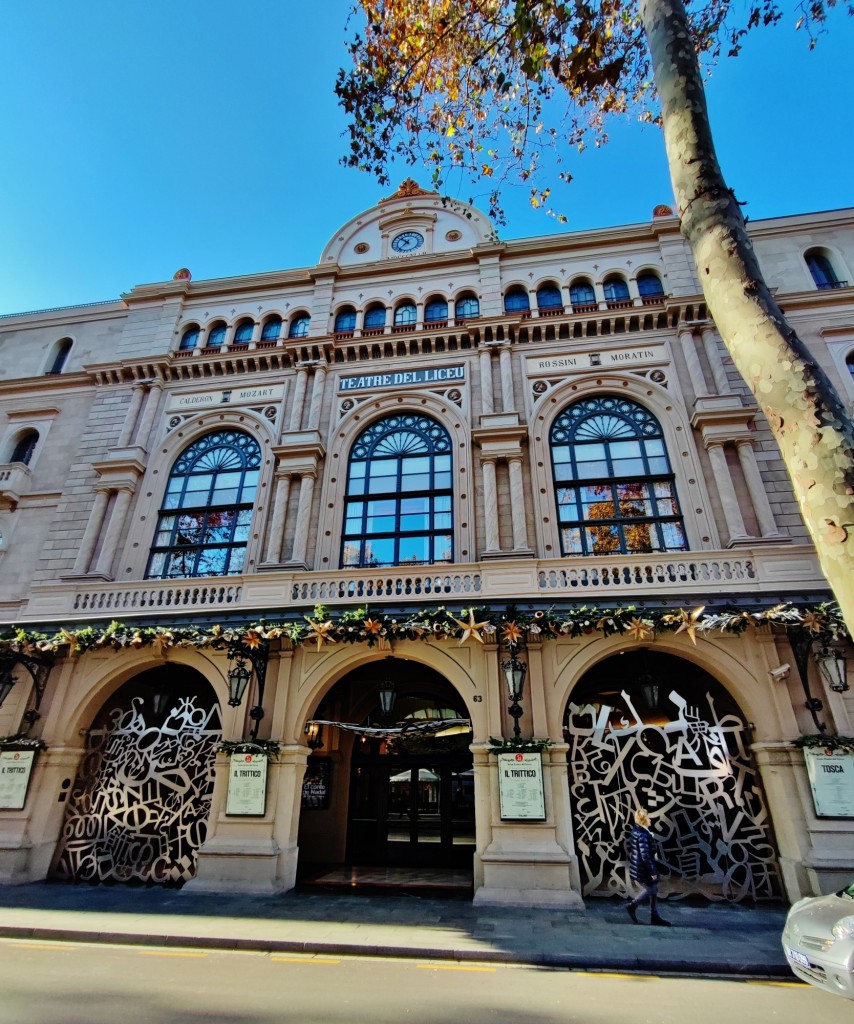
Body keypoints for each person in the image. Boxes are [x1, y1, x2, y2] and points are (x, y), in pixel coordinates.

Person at [626, 808, 671, 926]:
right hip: (643, 869)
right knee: (651, 889)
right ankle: (632, 905)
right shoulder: (643, 835)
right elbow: (645, 855)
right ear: (644, 820)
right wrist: (652, 872)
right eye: (648, 817)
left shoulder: (638, 831)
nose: (650, 819)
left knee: (654, 889)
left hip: (640, 867)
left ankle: (654, 916)